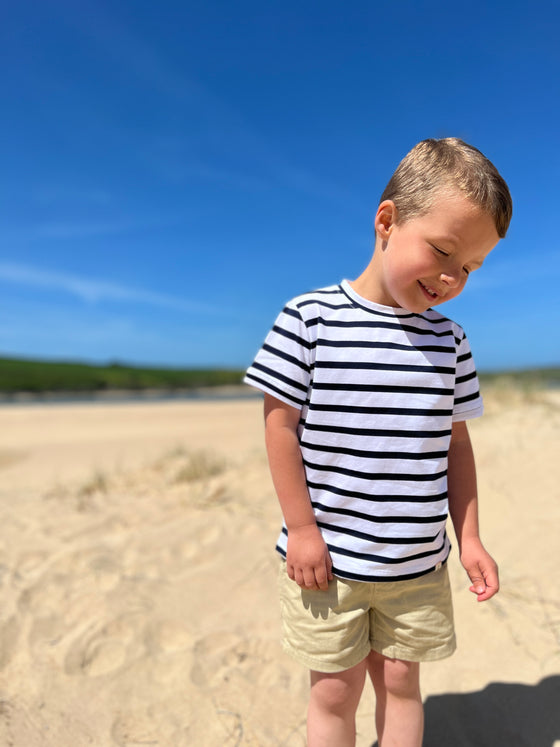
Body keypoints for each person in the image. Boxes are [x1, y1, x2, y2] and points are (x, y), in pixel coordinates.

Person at [244, 137, 512, 747]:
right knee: (334, 690)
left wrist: (468, 536)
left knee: (399, 682)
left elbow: (455, 447)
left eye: (470, 267)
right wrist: (303, 529)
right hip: (327, 562)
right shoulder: (308, 318)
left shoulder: (450, 342)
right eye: (443, 251)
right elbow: (279, 429)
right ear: (388, 221)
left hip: (416, 562)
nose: (451, 277)